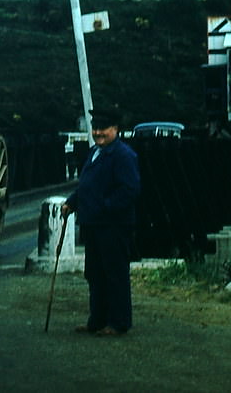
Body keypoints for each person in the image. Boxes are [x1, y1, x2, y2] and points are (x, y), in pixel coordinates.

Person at [61, 107, 141, 337]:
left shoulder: (123, 155)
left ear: (115, 129)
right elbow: (87, 185)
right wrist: (72, 202)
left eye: (103, 129)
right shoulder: (95, 152)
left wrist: (104, 208)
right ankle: (96, 320)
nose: (98, 132)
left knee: (114, 274)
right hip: (93, 225)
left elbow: (130, 190)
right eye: (95, 128)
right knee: (95, 274)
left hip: (113, 226)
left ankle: (118, 322)